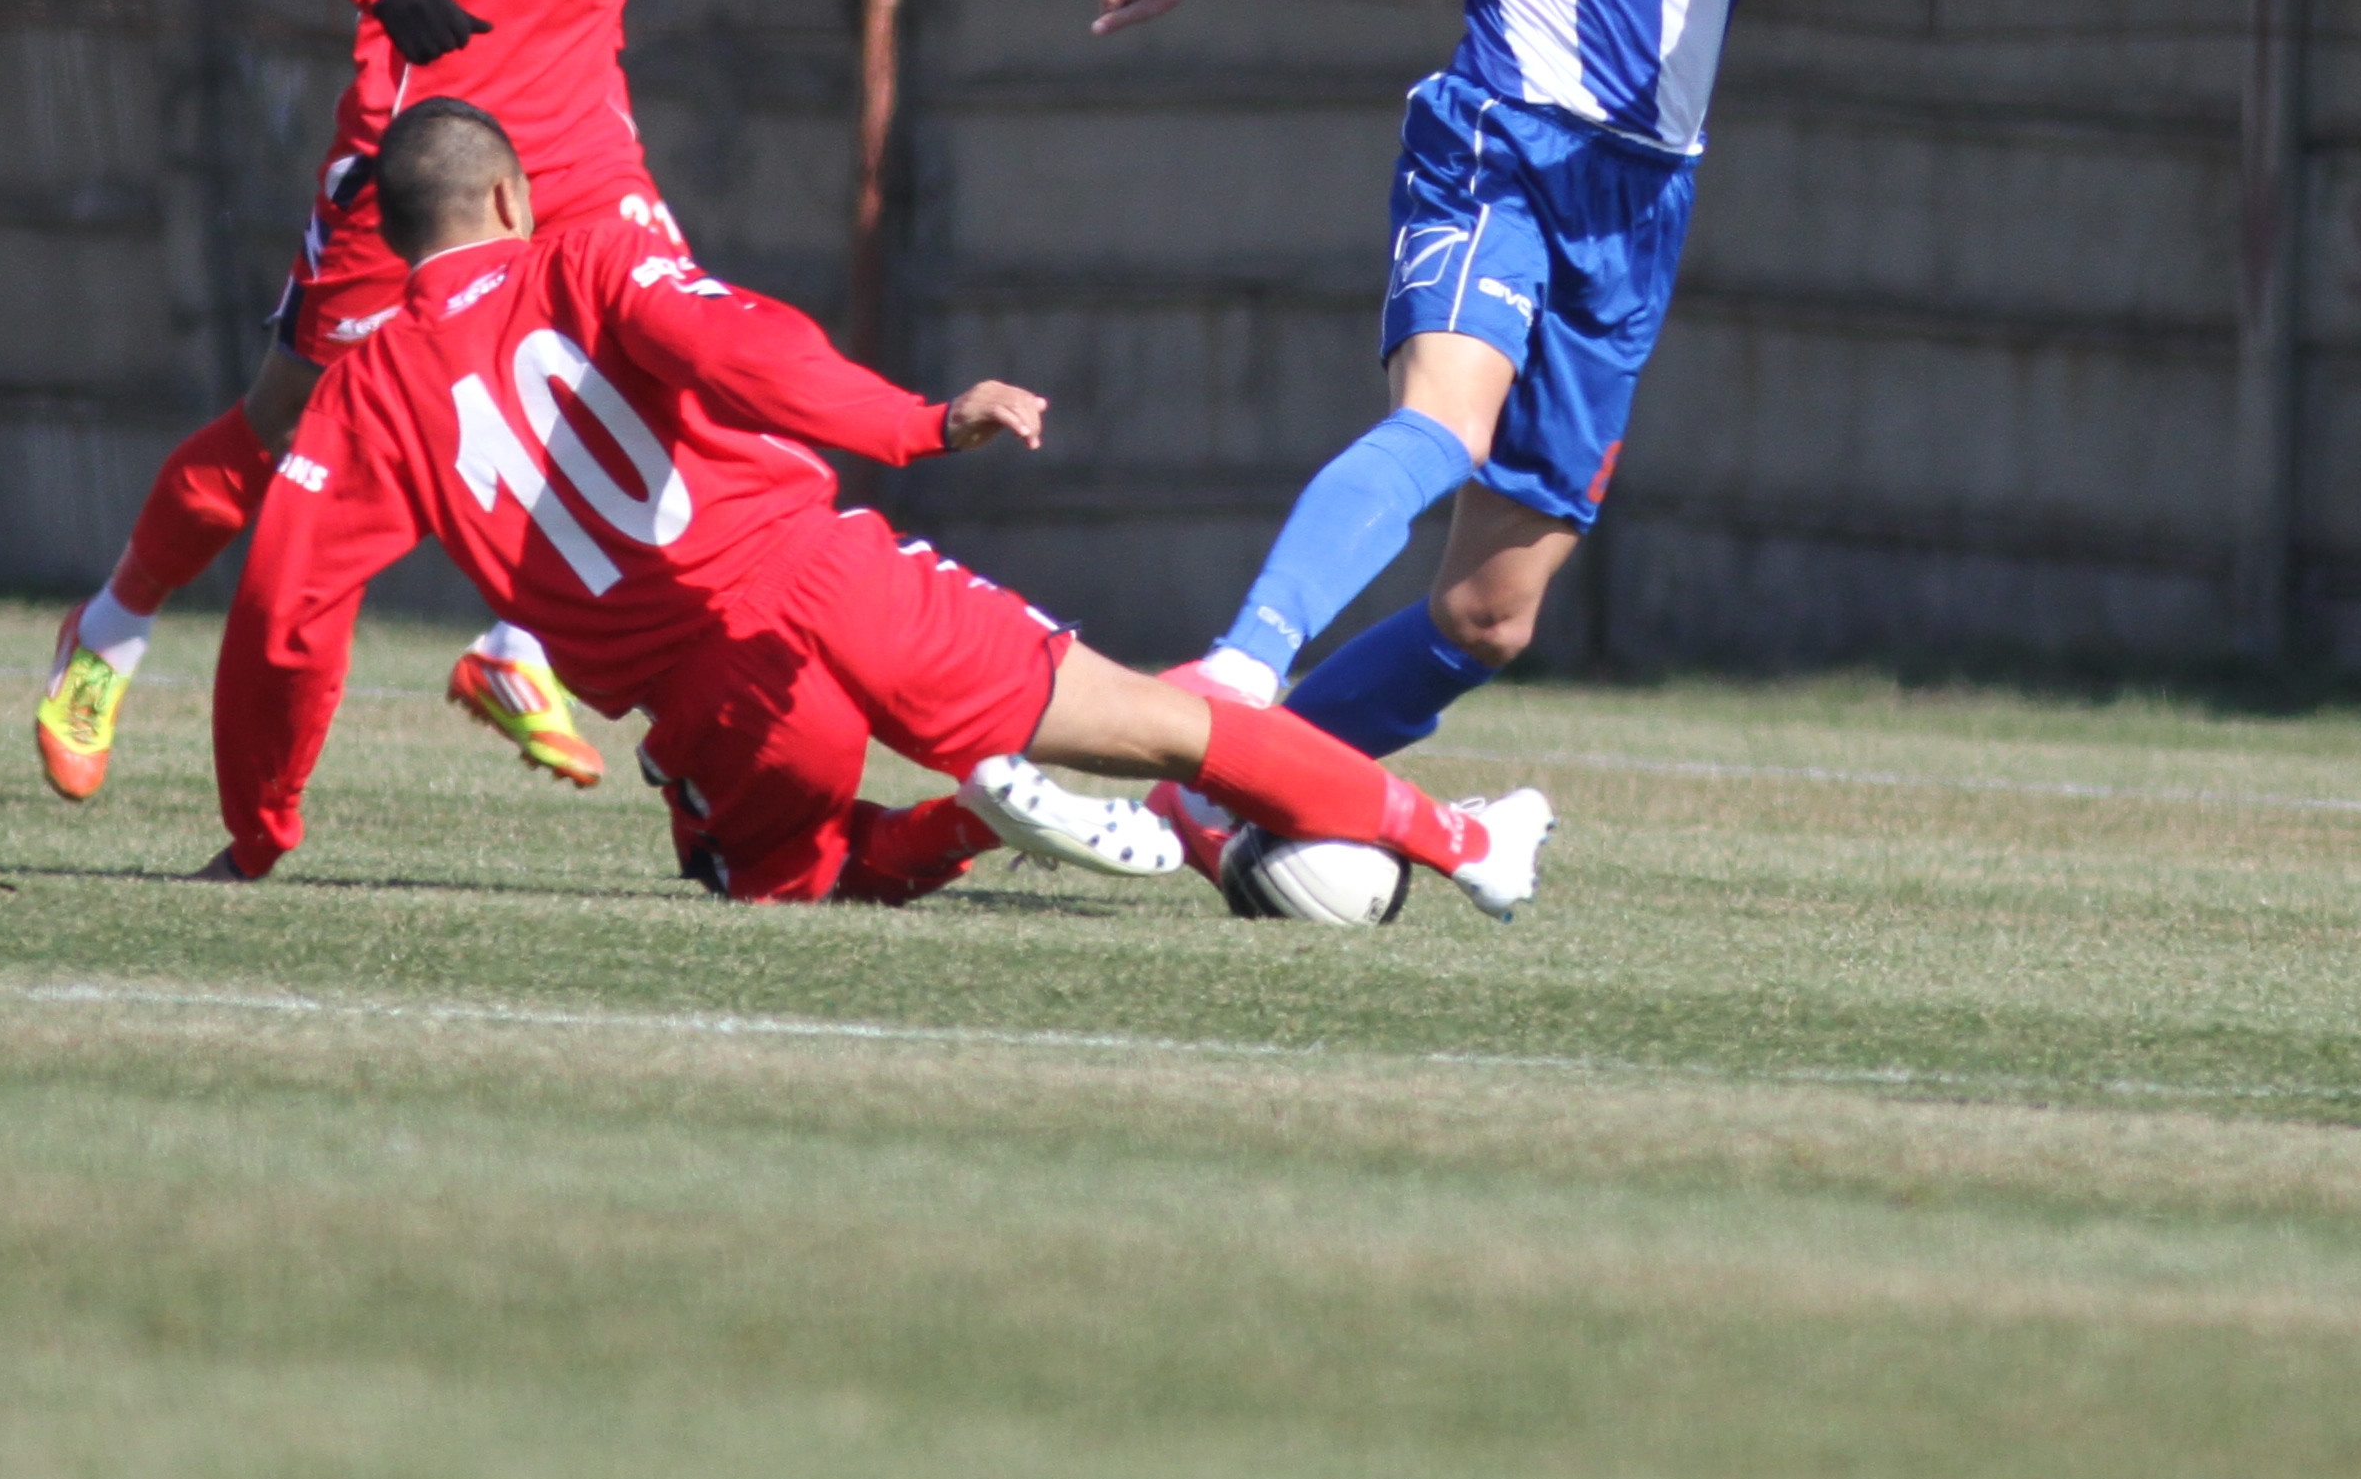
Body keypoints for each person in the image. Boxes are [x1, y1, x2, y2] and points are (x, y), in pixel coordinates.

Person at [1087, 0, 1963, 825]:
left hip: (1642, 195)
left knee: (1490, 616)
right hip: (1494, 142)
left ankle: (1203, 798)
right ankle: (1240, 669)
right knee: (1440, 422)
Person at [207, 98, 1556, 919]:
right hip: (833, 571)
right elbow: (752, 354)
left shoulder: (363, 386)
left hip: (712, 696)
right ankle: (1461, 841)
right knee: (1172, 724)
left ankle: (969, 816)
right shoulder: (593, 253)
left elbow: (282, 609)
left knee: (818, 880)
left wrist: (264, 828)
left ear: (394, 235)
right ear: (512, 194)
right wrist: (917, 426)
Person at [33, 0, 708, 804]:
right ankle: (106, 630)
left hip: (581, 160)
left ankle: (521, 644)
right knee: (283, 438)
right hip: (428, 169)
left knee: (688, 359)